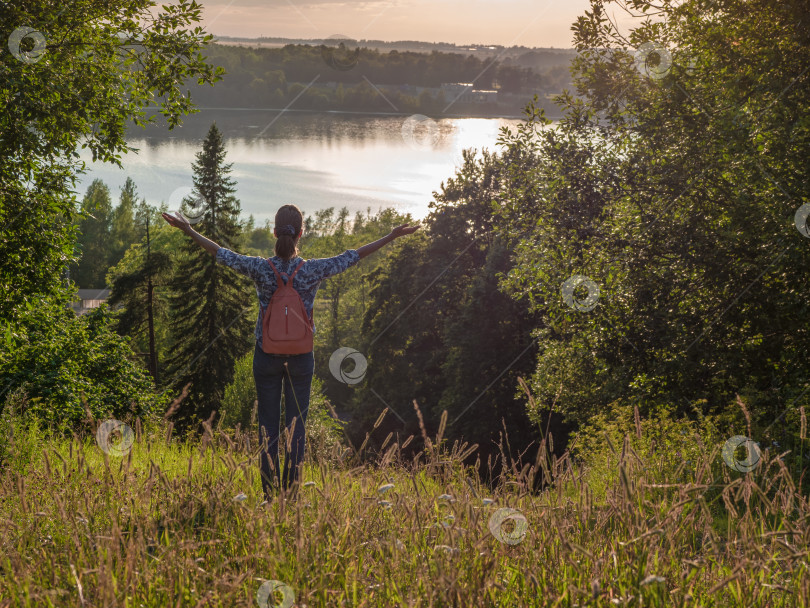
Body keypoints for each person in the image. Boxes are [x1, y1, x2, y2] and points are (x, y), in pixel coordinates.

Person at [162, 204, 420, 501]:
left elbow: (222, 254)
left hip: (266, 355)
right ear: (301, 233)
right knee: (296, 427)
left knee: (268, 427)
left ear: (274, 232)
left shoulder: (260, 267)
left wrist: (189, 229)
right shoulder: (311, 270)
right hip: (301, 358)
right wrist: (390, 235)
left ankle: (269, 496)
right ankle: (291, 497)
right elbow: (353, 256)